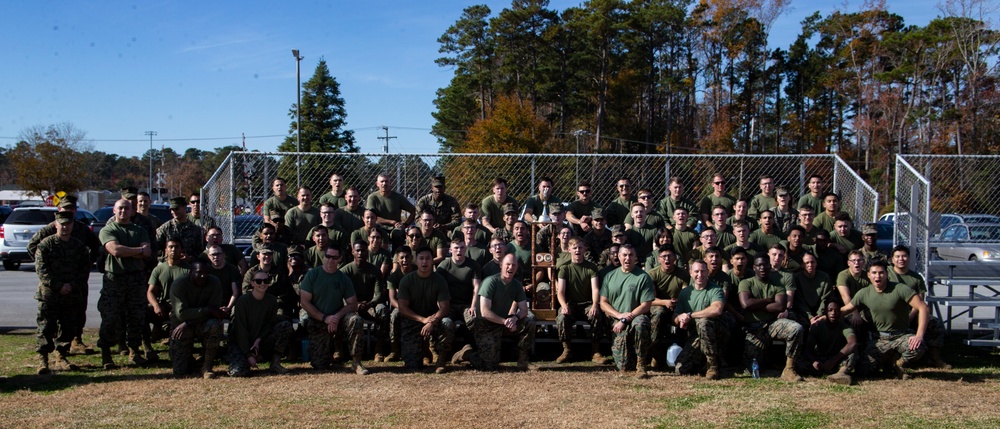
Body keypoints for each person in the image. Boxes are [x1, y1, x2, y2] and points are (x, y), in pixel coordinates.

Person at [27, 195, 101, 354]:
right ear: (59, 209)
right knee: (49, 317)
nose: (69, 211)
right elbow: (32, 247)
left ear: (75, 210)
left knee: (78, 312)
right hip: (53, 282)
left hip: (76, 281)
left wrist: (87, 264)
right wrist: (46, 264)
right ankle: (51, 347)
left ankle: (76, 340)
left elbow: (96, 247)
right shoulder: (49, 229)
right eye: (65, 208)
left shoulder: (81, 228)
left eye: (71, 209)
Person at [839, 261, 930, 379]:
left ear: (887, 274)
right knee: (863, 370)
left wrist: (919, 335)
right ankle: (889, 363)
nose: (878, 276)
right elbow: (846, 310)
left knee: (918, 346)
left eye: (881, 273)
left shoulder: (900, 289)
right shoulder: (864, 293)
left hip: (901, 336)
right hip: (880, 339)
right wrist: (825, 316)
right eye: (874, 273)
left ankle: (899, 364)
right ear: (868, 275)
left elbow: (923, 308)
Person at [451, 253, 535, 371]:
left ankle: (523, 360)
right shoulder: (490, 282)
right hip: (486, 324)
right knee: (489, 366)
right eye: (508, 264)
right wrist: (505, 321)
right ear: (501, 265)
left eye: (514, 265)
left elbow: (524, 310)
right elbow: (485, 312)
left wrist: (514, 318)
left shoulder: (516, 285)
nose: (510, 268)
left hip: (504, 322)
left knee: (529, 320)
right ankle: (466, 354)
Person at [97, 199, 153, 370]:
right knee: (111, 318)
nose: (123, 211)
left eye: (127, 208)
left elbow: (148, 251)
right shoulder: (108, 230)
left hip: (136, 280)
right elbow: (115, 250)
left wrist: (127, 251)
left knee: (136, 317)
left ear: (132, 211)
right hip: (115, 280)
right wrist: (137, 251)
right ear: (114, 210)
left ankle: (134, 352)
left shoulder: (139, 230)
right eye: (120, 208)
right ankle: (106, 354)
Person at [33, 211, 91, 374]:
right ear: (56, 224)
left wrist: (72, 286)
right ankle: (43, 360)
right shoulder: (46, 245)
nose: (65, 227)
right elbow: (42, 270)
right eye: (62, 224)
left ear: (72, 225)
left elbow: (84, 269)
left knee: (67, 327)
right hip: (50, 294)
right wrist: (58, 286)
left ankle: (61, 356)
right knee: (46, 326)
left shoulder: (78, 246)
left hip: (71, 294)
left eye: (68, 224)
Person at [299, 246, 369, 375]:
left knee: (356, 320)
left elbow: (353, 304)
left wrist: (336, 317)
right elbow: (304, 302)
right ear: (323, 256)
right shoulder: (312, 275)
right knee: (320, 365)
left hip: (337, 318)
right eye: (328, 256)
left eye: (334, 257)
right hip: (317, 319)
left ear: (340, 259)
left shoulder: (343, 279)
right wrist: (325, 318)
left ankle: (356, 362)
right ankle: (330, 351)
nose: (330, 260)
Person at [738, 256, 805, 382]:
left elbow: (780, 306)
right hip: (753, 328)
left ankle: (789, 368)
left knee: (796, 328)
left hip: (773, 324)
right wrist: (768, 300)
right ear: (754, 267)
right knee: (753, 365)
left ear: (770, 266)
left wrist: (757, 305)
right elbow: (746, 304)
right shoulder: (746, 283)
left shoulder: (777, 285)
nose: (763, 268)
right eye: (759, 265)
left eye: (766, 265)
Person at [888, 245, 950, 369]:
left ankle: (935, 359)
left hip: (911, 313)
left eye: (904, 256)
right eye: (898, 256)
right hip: (891, 313)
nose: (901, 259)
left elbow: (920, 301)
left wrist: (911, 316)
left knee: (933, 322)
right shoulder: (887, 274)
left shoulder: (916, 278)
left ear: (909, 258)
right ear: (892, 259)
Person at [398, 247, 456, 373]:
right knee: (412, 367)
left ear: (432, 261)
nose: (424, 262)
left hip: (434, 319)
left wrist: (431, 321)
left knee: (447, 323)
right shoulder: (407, 280)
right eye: (421, 258)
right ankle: (424, 350)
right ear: (416, 261)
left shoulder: (439, 280)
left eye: (428, 258)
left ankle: (441, 360)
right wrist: (422, 319)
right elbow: (402, 307)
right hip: (414, 320)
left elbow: (445, 307)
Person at [599, 244, 654, 378]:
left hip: (635, 318)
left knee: (641, 323)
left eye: (631, 255)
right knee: (623, 366)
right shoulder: (610, 276)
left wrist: (626, 318)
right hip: (616, 321)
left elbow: (646, 305)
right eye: (624, 255)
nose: (627, 258)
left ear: (635, 257)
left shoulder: (643, 277)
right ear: (618, 256)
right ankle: (629, 357)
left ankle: (641, 365)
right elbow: (603, 302)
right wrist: (618, 316)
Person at [227, 270, 294, 377]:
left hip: (260, 342)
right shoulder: (243, 301)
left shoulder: (271, 301)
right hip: (241, 343)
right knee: (239, 372)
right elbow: (240, 329)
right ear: (252, 283)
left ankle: (275, 363)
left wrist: (259, 339)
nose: (262, 284)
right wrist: (248, 355)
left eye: (266, 281)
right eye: (258, 281)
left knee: (285, 325)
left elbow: (270, 324)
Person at [168, 259, 226, 378]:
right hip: (181, 326)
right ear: (191, 272)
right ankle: (189, 359)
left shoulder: (214, 282)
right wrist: (207, 310)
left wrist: (191, 320)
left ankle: (207, 366)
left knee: (214, 325)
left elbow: (215, 311)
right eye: (199, 272)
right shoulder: (179, 285)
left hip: (201, 324)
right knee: (180, 371)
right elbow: (181, 314)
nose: (203, 276)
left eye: (206, 272)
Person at [554, 237, 607, 364]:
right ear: (569, 250)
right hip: (571, 304)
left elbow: (595, 289)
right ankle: (567, 350)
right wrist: (563, 305)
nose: (577, 250)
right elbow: (560, 291)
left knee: (597, 315)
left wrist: (595, 305)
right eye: (574, 248)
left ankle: (595, 351)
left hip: (587, 304)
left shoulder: (591, 267)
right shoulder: (564, 268)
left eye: (580, 247)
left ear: (584, 249)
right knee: (562, 317)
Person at [673, 260, 728, 379]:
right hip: (695, 335)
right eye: (696, 271)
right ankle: (704, 361)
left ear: (707, 272)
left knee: (703, 322)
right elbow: (675, 318)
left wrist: (690, 315)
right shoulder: (685, 293)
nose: (700, 275)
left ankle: (712, 365)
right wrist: (680, 318)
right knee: (680, 369)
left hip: (714, 333)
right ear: (691, 273)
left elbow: (717, 309)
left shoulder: (715, 289)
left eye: (703, 271)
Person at [340, 241, 389, 361]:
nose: (360, 253)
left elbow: (379, 294)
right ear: (352, 252)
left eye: (363, 250)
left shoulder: (374, 271)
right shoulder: (344, 271)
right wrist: (354, 305)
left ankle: (379, 349)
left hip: (369, 305)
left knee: (382, 310)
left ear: (367, 252)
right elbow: (340, 295)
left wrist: (369, 304)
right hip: (350, 305)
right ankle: (341, 349)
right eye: (357, 250)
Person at [144, 237, 191, 361]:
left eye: (176, 247)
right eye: (170, 247)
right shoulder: (159, 269)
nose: (173, 250)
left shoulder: (188, 270)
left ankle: (177, 348)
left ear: (181, 250)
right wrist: (156, 306)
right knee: (141, 314)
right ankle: (147, 347)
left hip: (182, 308)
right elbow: (150, 292)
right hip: (163, 306)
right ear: (166, 250)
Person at [647, 247, 688, 368]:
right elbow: (649, 299)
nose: (667, 259)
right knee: (658, 314)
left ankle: (686, 353)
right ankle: (654, 353)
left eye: (670, 256)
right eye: (664, 256)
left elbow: (685, 294)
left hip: (678, 306)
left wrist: (677, 304)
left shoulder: (683, 275)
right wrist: (665, 302)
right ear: (659, 259)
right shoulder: (652, 274)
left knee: (686, 314)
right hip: (659, 305)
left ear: (675, 258)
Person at [798, 300, 856, 385]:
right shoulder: (817, 327)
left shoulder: (844, 327)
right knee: (799, 362)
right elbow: (808, 349)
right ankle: (823, 371)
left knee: (852, 353)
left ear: (840, 312)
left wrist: (833, 360)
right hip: (820, 359)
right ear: (825, 312)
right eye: (830, 310)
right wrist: (814, 361)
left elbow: (852, 343)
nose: (833, 313)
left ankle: (841, 374)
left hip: (837, 360)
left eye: (836, 310)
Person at [436, 238, 482, 339]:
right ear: (450, 250)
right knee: (445, 323)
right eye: (456, 248)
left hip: (466, 305)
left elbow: (477, 286)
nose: (459, 250)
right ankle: (444, 352)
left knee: (474, 320)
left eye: (462, 248)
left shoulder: (473, 265)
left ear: (465, 249)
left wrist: (473, 306)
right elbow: (438, 289)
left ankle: (474, 347)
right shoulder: (443, 266)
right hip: (449, 305)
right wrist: (441, 307)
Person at [384, 245, 415, 362]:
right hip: (401, 307)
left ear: (412, 258)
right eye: (401, 258)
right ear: (397, 259)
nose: (405, 260)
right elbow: (392, 299)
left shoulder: (419, 272)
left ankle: (428, 350)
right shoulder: (393, 277)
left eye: (407, 257)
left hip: (418, 306)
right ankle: (394, 350)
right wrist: (403, 309)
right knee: (394, 316)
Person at [367, 173, 417, 245]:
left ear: (390, 183)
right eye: (382, 181)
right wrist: (391, 222)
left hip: (395, 228)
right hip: (378, 227)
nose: (384, 184)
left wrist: (405, 225)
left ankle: (397, 254)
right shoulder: (372, 197)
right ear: (377, 184)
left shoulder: (398, 197)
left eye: (386, 181)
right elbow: (372, 217)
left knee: (398, 233)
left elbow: (413, 210)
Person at [791, 252, 835, 326]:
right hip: (803, 313)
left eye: (812, 262)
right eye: (807, 263)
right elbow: (799, 301)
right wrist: (810, 317)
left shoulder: (824, 277)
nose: (810, 265)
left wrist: (819, 315)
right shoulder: (796, 278)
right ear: (802, 265)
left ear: (816, 263)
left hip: (821, 313)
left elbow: (826, 298)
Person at [156, 196, 204, 263]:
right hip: (169, 265)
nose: (174, 212)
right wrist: (167, 258)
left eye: (177, 209)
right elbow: (156, 247)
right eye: (172, 210)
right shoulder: (165, 228)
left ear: (184, 207)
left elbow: (199, 251)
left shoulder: (195, 229)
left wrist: (190, 258)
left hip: (187, 266)